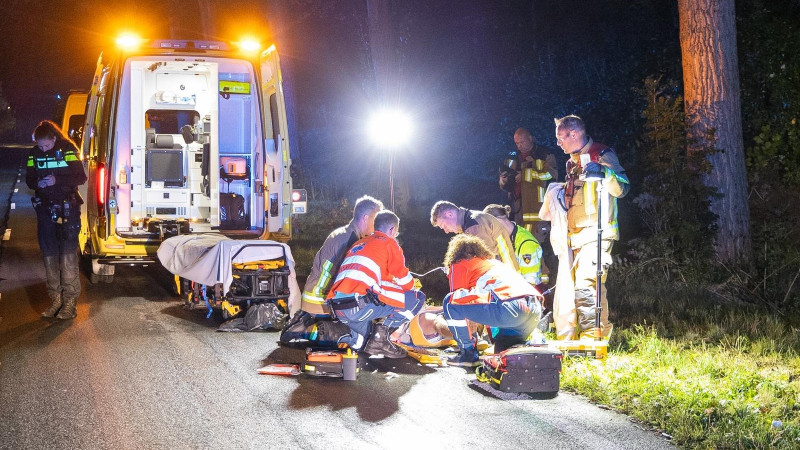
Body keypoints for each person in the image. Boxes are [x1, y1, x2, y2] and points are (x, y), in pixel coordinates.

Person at [554, 115, 629, 339]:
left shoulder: (602, 154)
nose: (558, 143)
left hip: (598, 233)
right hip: (576, 236)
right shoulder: (571, 162)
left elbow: (623, 188)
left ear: (574, 134)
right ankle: (598, 333)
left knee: (587, 284)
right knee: (588, 286)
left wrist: (604, 173)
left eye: (561, 138)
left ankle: (591, 338)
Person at [326, 210, 424, 358]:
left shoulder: (359, 243)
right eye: (396, 233)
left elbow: (374, 277)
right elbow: (404, 280)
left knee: (362, 342)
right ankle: (381, 340)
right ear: (392, 230)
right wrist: (412, 288)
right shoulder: (389, 243)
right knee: (416, 298)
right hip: (358, 306)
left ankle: (342, 333)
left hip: (337, 308)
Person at [441, 234, 543, 367]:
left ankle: (468, 354)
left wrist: (468, 338)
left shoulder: (460, 263)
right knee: (504, 354)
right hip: (534, 310)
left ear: (455, 252)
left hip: (510, 308)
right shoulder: (494, 263)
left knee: (450, 302)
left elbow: (459, 302)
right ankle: (536, 344)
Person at [26, 120, 87, 319]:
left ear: (54, 138)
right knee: (49, 254)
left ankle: (70, 304)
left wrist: (56, 180)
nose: (43, 149)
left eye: (46, 145)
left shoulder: (68, 149)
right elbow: (29, 179)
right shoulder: (34, 153)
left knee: (68, 255)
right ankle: (56, 301)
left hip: (67, 208)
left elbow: (80, 176)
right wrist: (39, 183)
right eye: (40, 145)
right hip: (45, 209)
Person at [299, 195, 384, 316]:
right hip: (320, 302)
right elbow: (351, 277)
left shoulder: (346, 234)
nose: (377, 225)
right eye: (376, 220)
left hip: (315, 296)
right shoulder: (350, 240)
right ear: (366, 218)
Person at [499, 127, 558, 283]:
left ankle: (542, 284)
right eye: (517, 143)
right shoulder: (513, 158)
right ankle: (524, 281)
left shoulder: (544, 154)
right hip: (517, 210)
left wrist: (525, 175)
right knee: (518, 245)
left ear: (531, 138)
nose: (520, 145)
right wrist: (504, 181)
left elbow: (552, 175)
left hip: (537, 211)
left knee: (535, 245)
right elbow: (506, 182)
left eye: (522, 141)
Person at [430, 200, 519, 271]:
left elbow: (486, 262)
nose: (446, 231)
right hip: (508, 275)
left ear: (449, 214)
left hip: (506, 278)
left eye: (444, 226)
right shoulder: (472, 219)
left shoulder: (473, 226)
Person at [483, 204, 544, 288]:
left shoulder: (525, 244)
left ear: (496, 222)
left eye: (489, 227)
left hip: (529, 293)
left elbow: (530, 281)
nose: (488, 231)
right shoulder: (510, 236)